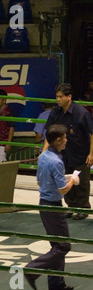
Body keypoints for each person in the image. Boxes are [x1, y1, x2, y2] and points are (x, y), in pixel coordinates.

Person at [24, 124, 78, 290]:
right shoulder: (56, 161)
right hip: (53, 206)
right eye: (64, 138)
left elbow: (41, 182)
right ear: (57, 140)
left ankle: (56, 283)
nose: (66, 141)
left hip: (44, 203)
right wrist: (73, 180)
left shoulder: (44, 157)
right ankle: (32, 269)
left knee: (57, 245)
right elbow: (63, 190)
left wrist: (63, 179)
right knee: (63, 246)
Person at [43, 83, 93, 220]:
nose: (57, 99)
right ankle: (70, 206)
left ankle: (83, 208)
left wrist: (91, 154)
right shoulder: (55, 112)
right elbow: (49, 132)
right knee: (65, 180)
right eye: (56, 97)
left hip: (80, 153)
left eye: (60, 97)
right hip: (62, 154)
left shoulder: (82, 113)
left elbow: (92, 133)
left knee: (81, 182)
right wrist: (44, 152)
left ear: (69, 97)